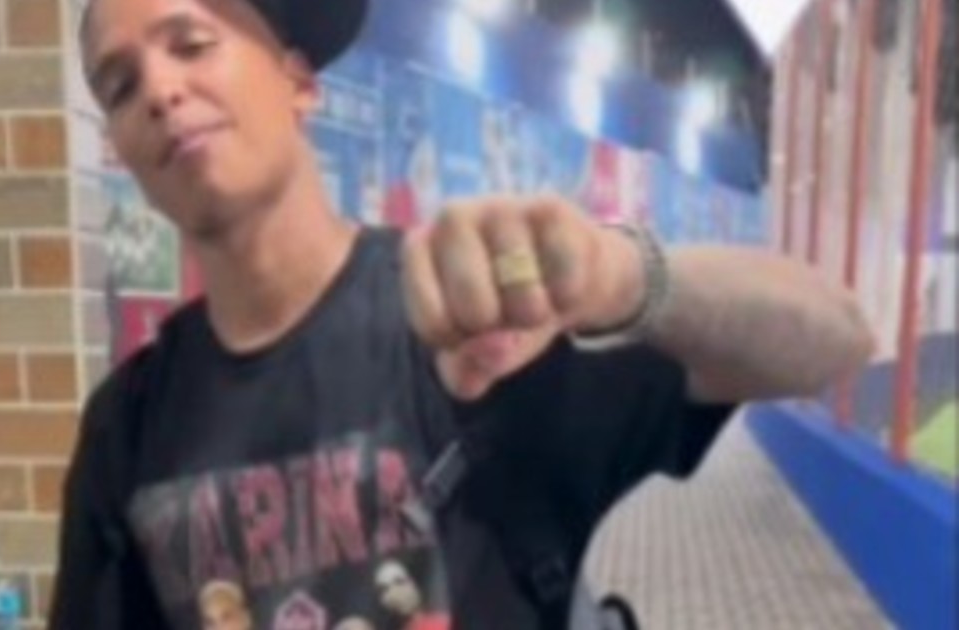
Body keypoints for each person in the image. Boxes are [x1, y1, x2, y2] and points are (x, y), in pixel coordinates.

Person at [50, 0, 875, 628]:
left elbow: (834, 340)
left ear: (299, 83)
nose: (160, 90)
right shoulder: (130, 426)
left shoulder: (472, 321)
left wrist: (620, 276)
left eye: (192, 43)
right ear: (119, 146)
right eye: (120, 85)